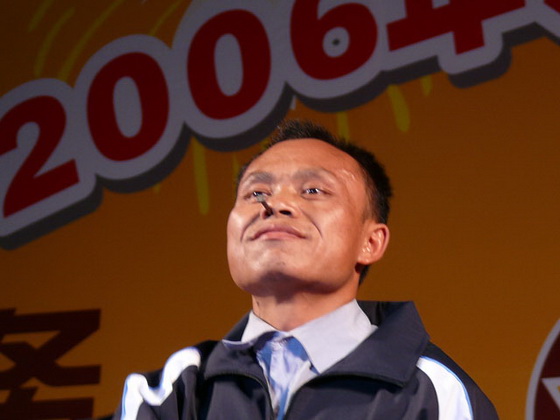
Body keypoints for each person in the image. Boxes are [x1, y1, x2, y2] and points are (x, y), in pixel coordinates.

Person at [113, 120, 499, 419]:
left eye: (313, 190)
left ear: (371, 242)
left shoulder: (435, 394)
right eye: (256, 193)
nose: (276, 205)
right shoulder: (170, 392)